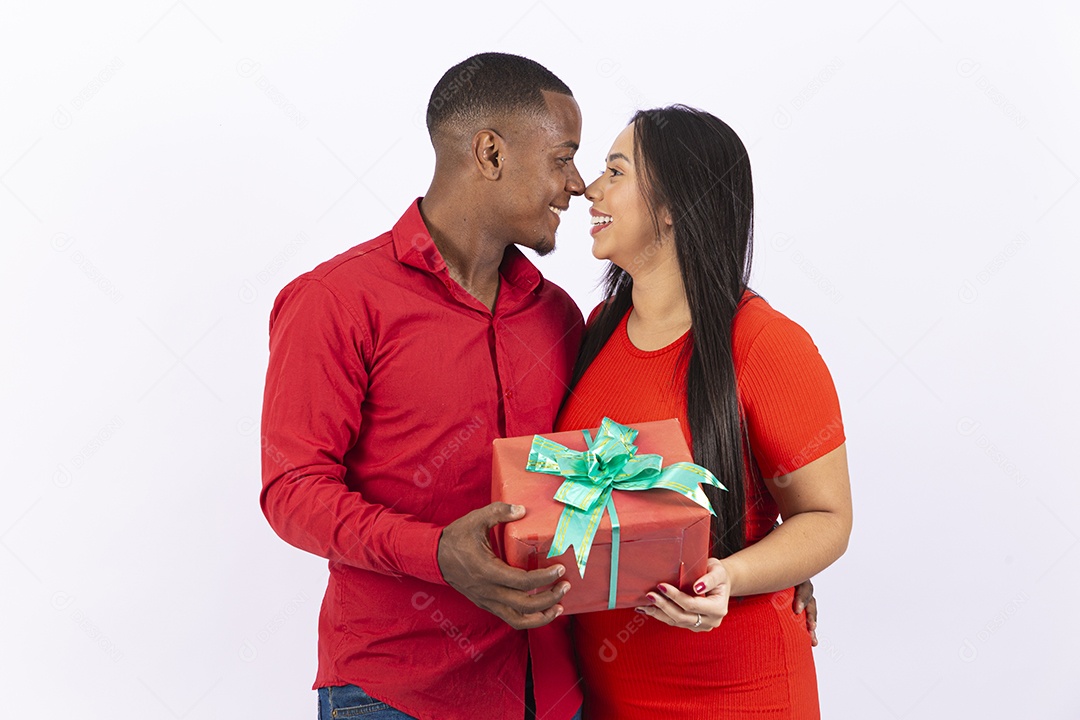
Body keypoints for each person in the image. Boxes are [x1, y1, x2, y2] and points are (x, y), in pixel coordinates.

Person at [261, 52, 819, 720]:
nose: (579, 186)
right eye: (564, 157)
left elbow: (615, 476)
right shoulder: (338, 300)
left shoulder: (561, 319)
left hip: (554, 690)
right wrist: (437, 552)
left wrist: (766, 559)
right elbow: (291, 490)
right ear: (490, 154)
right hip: (399, 691)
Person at [558, 106, 851, 718]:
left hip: (739, 689)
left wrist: (733, 576)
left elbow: (825, 518)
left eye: (615, 172)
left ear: (672, 205)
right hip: (608, 691)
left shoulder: (767, 344)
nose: (590, 188)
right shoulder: (594, 333)